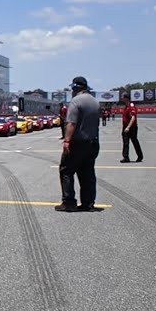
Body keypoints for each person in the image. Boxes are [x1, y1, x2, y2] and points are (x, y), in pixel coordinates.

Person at [58, 76, 101, 212]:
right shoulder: (95, 102)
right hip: (93, 141)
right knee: (87, 173)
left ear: (76, 88)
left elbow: (71, 123)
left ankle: (69, 202)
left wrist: (67, 140)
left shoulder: (76, 102)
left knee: (66, 170)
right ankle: (88, 203)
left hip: (78, 142)